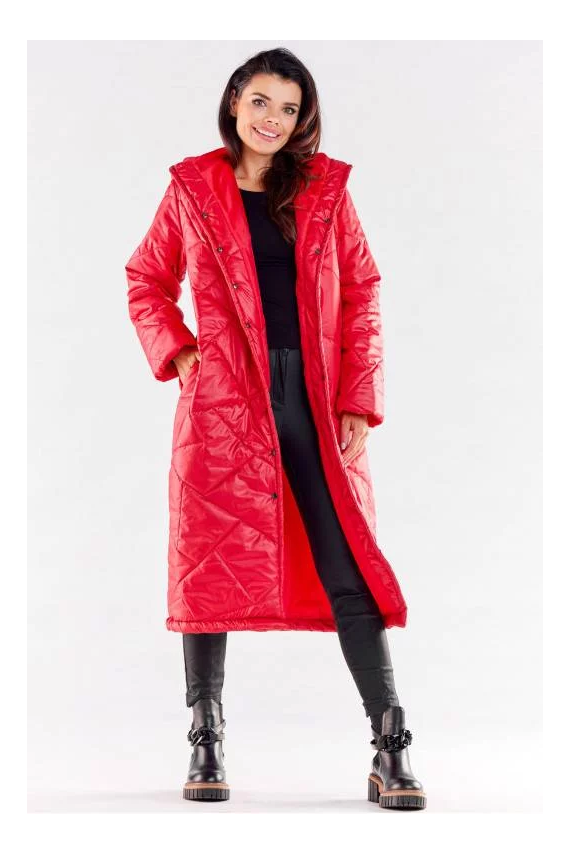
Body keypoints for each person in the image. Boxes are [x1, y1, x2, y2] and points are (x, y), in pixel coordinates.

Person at [125, 47, 426, 811]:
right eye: (260, 102)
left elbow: (363, 290)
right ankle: (205, 736)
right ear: (234, 102)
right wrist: (181, 352)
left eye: (289, 109)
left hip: (316, 399)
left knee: (348, 559)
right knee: (209, 565)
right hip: (224, 403)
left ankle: (390, 742)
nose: (272, 120)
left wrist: (359, 396)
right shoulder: (193, 189)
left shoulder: (325, 190)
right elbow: (146, 278)